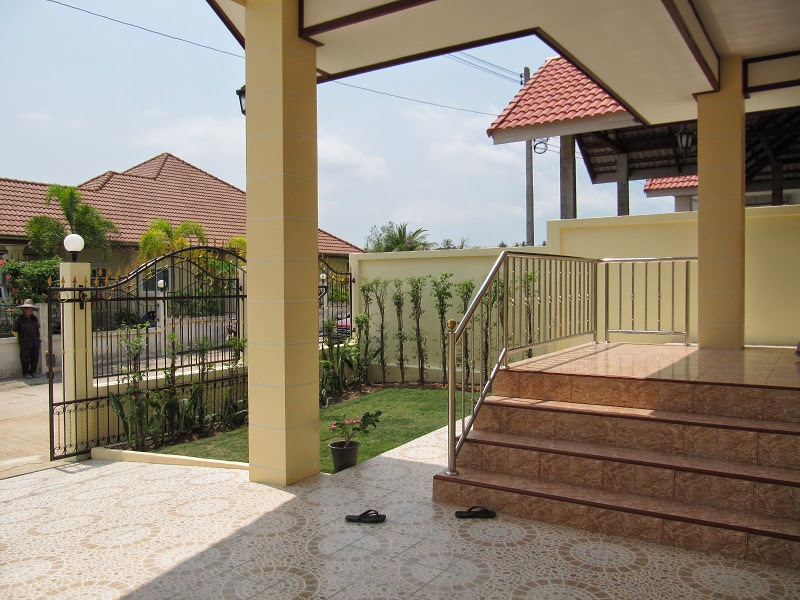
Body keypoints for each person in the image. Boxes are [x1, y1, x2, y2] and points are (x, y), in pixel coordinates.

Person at [11, 299, 42, 379]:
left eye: (31, 309)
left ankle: (33, 372)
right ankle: (25, 373)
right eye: (28, 309)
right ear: (25, 309)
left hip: (35, 341)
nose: (30, 310)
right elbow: (14, 330)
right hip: (25, 343)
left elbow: (37, 329)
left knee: (35, 358)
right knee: (25, 359)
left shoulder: (34, 318)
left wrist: (38, 339)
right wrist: (21, 339)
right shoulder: (20, 319)